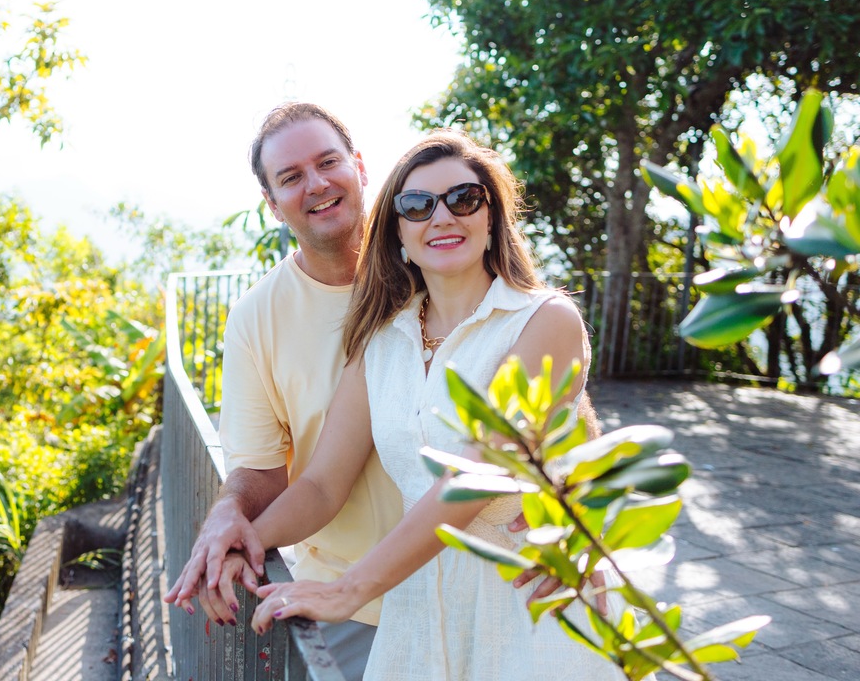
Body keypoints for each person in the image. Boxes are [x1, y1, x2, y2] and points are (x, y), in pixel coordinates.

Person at [242, 130, 625, 679]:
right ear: (397, 229)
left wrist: (349, 591)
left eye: (463, 199)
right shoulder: (381, 342)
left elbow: (476, 476)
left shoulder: (544, 322)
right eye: (417, 205)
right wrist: (243, 543)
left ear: (491, 216)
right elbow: (322, 485)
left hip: (528, 606)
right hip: (420, 613)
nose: (442, 218)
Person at [164, 102, 405, 679]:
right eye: (291, 177)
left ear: (361, 166)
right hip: (352, 603)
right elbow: (263, 470)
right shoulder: (256, 318)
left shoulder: (435, 264)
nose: (317, 184)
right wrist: (229, 520)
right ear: (271, 204)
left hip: (476, 576)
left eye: (328, 162)